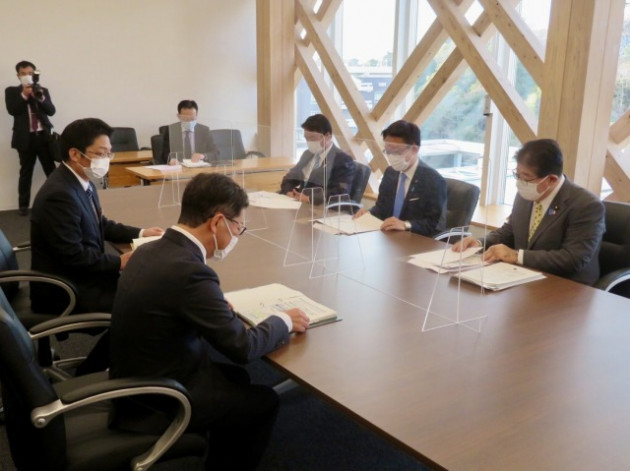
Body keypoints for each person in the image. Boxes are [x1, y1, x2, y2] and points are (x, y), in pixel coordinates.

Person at [109, 173, 310, 471]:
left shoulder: (150, 249)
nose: (237, 236)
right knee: (265, 401)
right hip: (160, 397)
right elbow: (242, 348)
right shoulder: (191, 272)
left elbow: (171, 304)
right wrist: (283, 320)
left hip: (134, 375)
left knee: (237, 379)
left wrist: (210, 306)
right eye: (238, 227)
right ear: (217, 222)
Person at [30, 118, 164, 315]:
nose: (106, 160)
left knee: (149, 289)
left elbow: (99, 223)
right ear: (75, 154)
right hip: (67, 290)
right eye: (101, 154)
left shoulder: (80, 181)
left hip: (85, 276)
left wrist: (142, 233)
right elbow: (73, 256)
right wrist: (119, 261)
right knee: (151, 301)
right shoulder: (59, 195)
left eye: (109, 153)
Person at [453, 138, 605, 285]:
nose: (520, 183)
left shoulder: (586, 205)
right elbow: (510, 230)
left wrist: (516, 256)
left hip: (568, 285)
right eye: (518, 175)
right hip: (524, 276)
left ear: (551, 179)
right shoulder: (526, 193)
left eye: (526, 178)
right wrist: (480, 243)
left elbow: (573, 259)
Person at [354, 120, 446, 236]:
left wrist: (406, 225)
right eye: (388, 151)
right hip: (387, 236)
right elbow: (381, 208)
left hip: (413, 240)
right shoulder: (390, 172)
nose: (392, 156)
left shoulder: (433, 180)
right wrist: (368, 214)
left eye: (397, 151)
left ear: (414, 150)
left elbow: (435, 224)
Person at [5, 60, 57, 215]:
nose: (27, 76)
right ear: (18, 75)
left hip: (44, 137)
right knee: (26, 172)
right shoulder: (11, 91)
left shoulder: (43, 90)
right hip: (25, 138)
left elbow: (51, 111)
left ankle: (58, 202)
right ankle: (23, 206)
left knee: (52, 171)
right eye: (23, 74)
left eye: (30, 73)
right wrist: (24, 95)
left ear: (34, 74)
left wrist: (39, 97)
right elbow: (12, 110)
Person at [280, 114, 356, 205]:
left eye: (312, 138)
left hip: (320, 207)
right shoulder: (307, 154)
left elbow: (340, 193)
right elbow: (289, 178)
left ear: (327, 136)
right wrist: (289, 192)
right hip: (299, 203)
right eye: (306, 138)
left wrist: (309, 199)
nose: (309, 142)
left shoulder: (342, 160)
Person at [159, 99, 219, 164]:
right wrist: (171, 160)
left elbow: (215, 153)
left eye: (192, 118)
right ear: (178, 116)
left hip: (199, 167)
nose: (189, 121)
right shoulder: (171, 130)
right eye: (186, 118)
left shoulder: (204, 130)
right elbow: (165, 154)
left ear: (196, 115)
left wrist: (203, 156)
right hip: (178, 166)